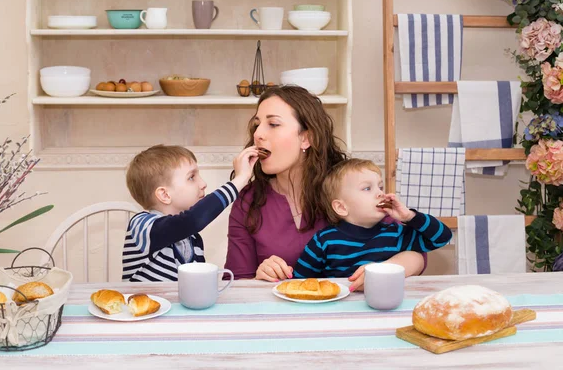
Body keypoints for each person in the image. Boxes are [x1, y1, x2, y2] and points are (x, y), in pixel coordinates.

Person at [224, 85, 426, 282]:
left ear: (306, 138)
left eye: (273, 124)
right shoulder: (249, 200)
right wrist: (260, 276)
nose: (258, 134)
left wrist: (384, 270)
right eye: (256, 125)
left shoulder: (347, 183)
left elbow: (416, 255)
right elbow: (238, 280)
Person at [293, 159, 452, 291]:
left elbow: (442, 237)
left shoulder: (396, 233)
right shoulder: (324, 240)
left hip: (387, 307)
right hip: (339, 312)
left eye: (380, 187)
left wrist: (409, 216)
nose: (380, 193)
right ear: (341, 207)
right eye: (367, 188)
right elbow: (299, 282)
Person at [123, 144, 258, 282]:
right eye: (191, 177)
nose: (203, 183)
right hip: (141, 302)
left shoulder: (193, 238)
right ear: (164, 194)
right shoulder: (142, 225)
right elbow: (192, 220)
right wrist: (240, 179)